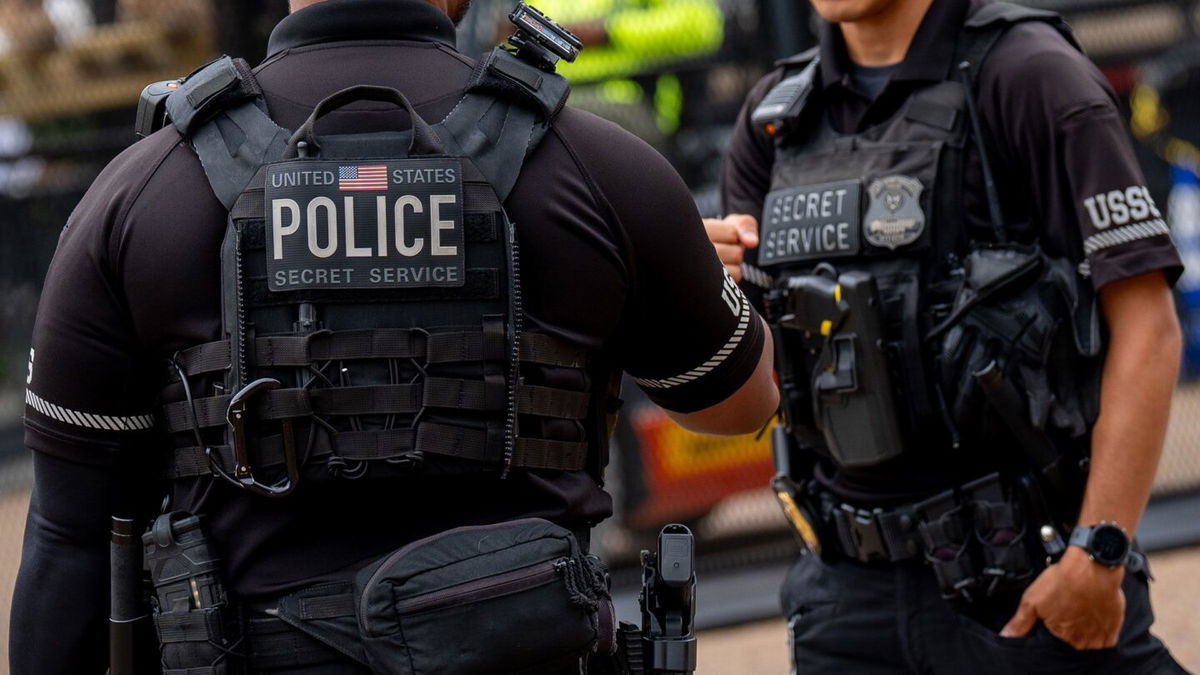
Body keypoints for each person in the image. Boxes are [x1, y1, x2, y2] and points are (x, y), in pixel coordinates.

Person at [10, 0, 778, 672]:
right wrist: (665, 271)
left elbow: (68, 539)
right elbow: (740, 405)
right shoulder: (605, 171)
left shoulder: (140, 194)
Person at [708, 0, 1189, 671]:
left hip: (1026, 589)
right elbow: (758, 393)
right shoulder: (775, 116)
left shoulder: (1032, 75)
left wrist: (1098, 551)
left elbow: (1148, 326)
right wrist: (701, 290)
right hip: (847, 601)